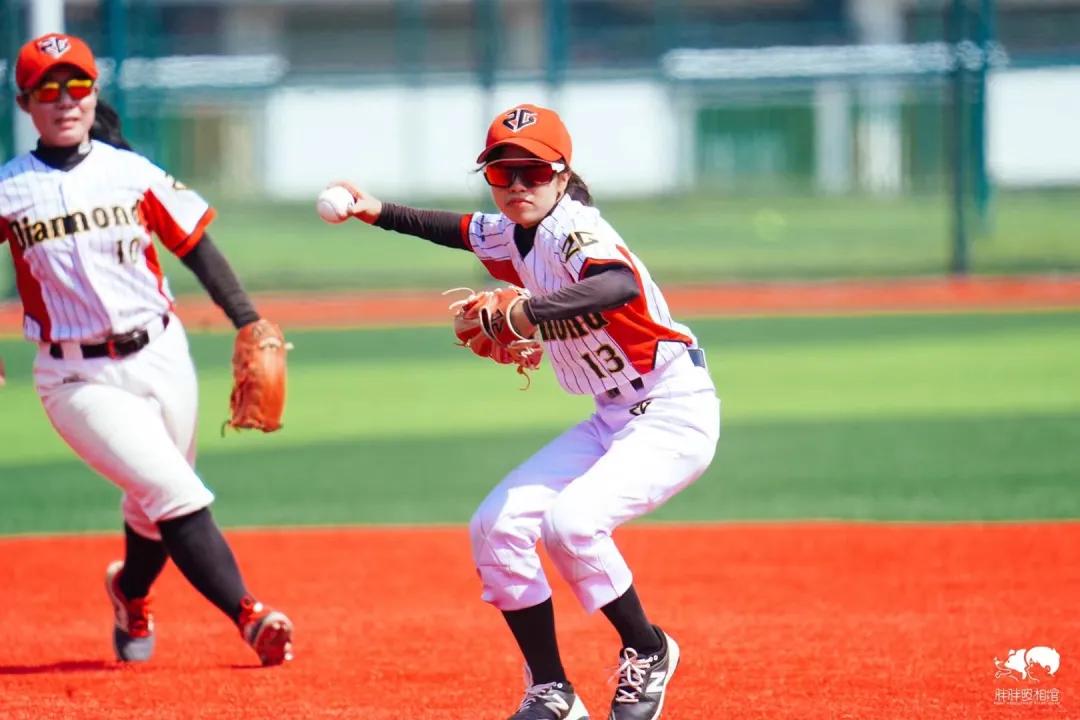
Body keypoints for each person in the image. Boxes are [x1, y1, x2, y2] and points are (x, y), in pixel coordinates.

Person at [327, 104, 720, 720]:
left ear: (562, 175)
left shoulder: (575, 227)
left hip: (673, 410)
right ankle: (552, 691)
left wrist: (527, 314)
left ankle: (648, 648)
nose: (515, 186)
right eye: (501, 172)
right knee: (496, 526)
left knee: (571, 524)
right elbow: (454, 227)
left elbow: (616, 284)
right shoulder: (515, 231)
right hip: (611, 417)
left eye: (532, 173)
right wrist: (375, 210)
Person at [0, 32, 294, 666]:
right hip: (75, 377)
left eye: (76, 85)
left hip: (162, 354)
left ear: (93, 92)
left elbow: (195, 246)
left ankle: (129, 592)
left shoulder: (131, 172)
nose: (64, 99)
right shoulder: (8, 187)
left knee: (151, 501)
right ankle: (251, 616)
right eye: (48, 89)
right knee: (174, 491)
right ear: (25, 102)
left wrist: (247, 319)